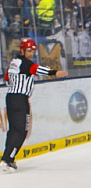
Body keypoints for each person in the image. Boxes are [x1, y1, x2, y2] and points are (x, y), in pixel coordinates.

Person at [2, 38, 68, 173]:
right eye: (29, 51)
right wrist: (55, 72)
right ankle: (9, 160)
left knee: (14, 129)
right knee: (21, 130)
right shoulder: (26, 63)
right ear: (22, 50)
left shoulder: (13, 63)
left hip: (11, 98)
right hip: (20, 99)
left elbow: (7, 78)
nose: (31, 53)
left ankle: (7, 157)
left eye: (33, 51)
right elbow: (37, 69)